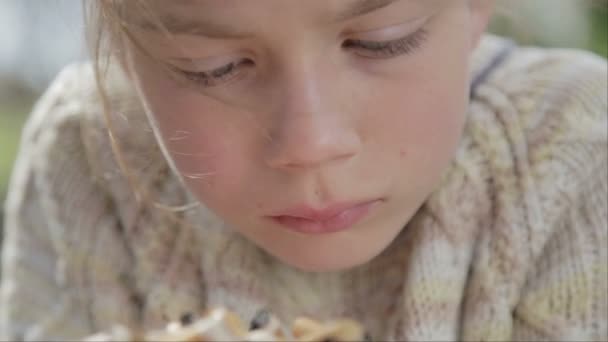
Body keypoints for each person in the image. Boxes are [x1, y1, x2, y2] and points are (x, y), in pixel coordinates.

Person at [1, 0, 606, 340]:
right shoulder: (87, 155)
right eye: (212, 67)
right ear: (127, 54)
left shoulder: (575, 153)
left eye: (381, 41)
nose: (311, 143)